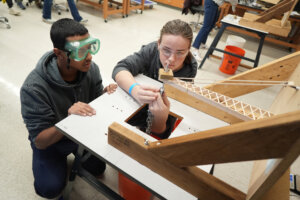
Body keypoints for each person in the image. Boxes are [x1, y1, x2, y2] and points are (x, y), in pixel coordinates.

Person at [20, 18, 117, 199]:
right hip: (52, 143)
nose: (89, 56)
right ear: (59, 53)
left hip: (80, 133)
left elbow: (94, 103)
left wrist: (105, 94)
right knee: (49, 189)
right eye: (81, 51)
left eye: (90, 47)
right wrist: (68, 120)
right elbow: (40, 141)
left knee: (97, 168)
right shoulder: (34, 88)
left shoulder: (90, 69)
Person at [112, 19, 198, 139]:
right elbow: (120, 69)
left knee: (161, 131)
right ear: (158, 44)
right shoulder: (152, 50)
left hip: (164, 109)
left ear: (188, 50)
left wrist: (160, 119)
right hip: (138, 102)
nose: (172, 59)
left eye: (180, 53)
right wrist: (135, 90)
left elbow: (174, 109)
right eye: (166, 50)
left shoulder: (189, 67)